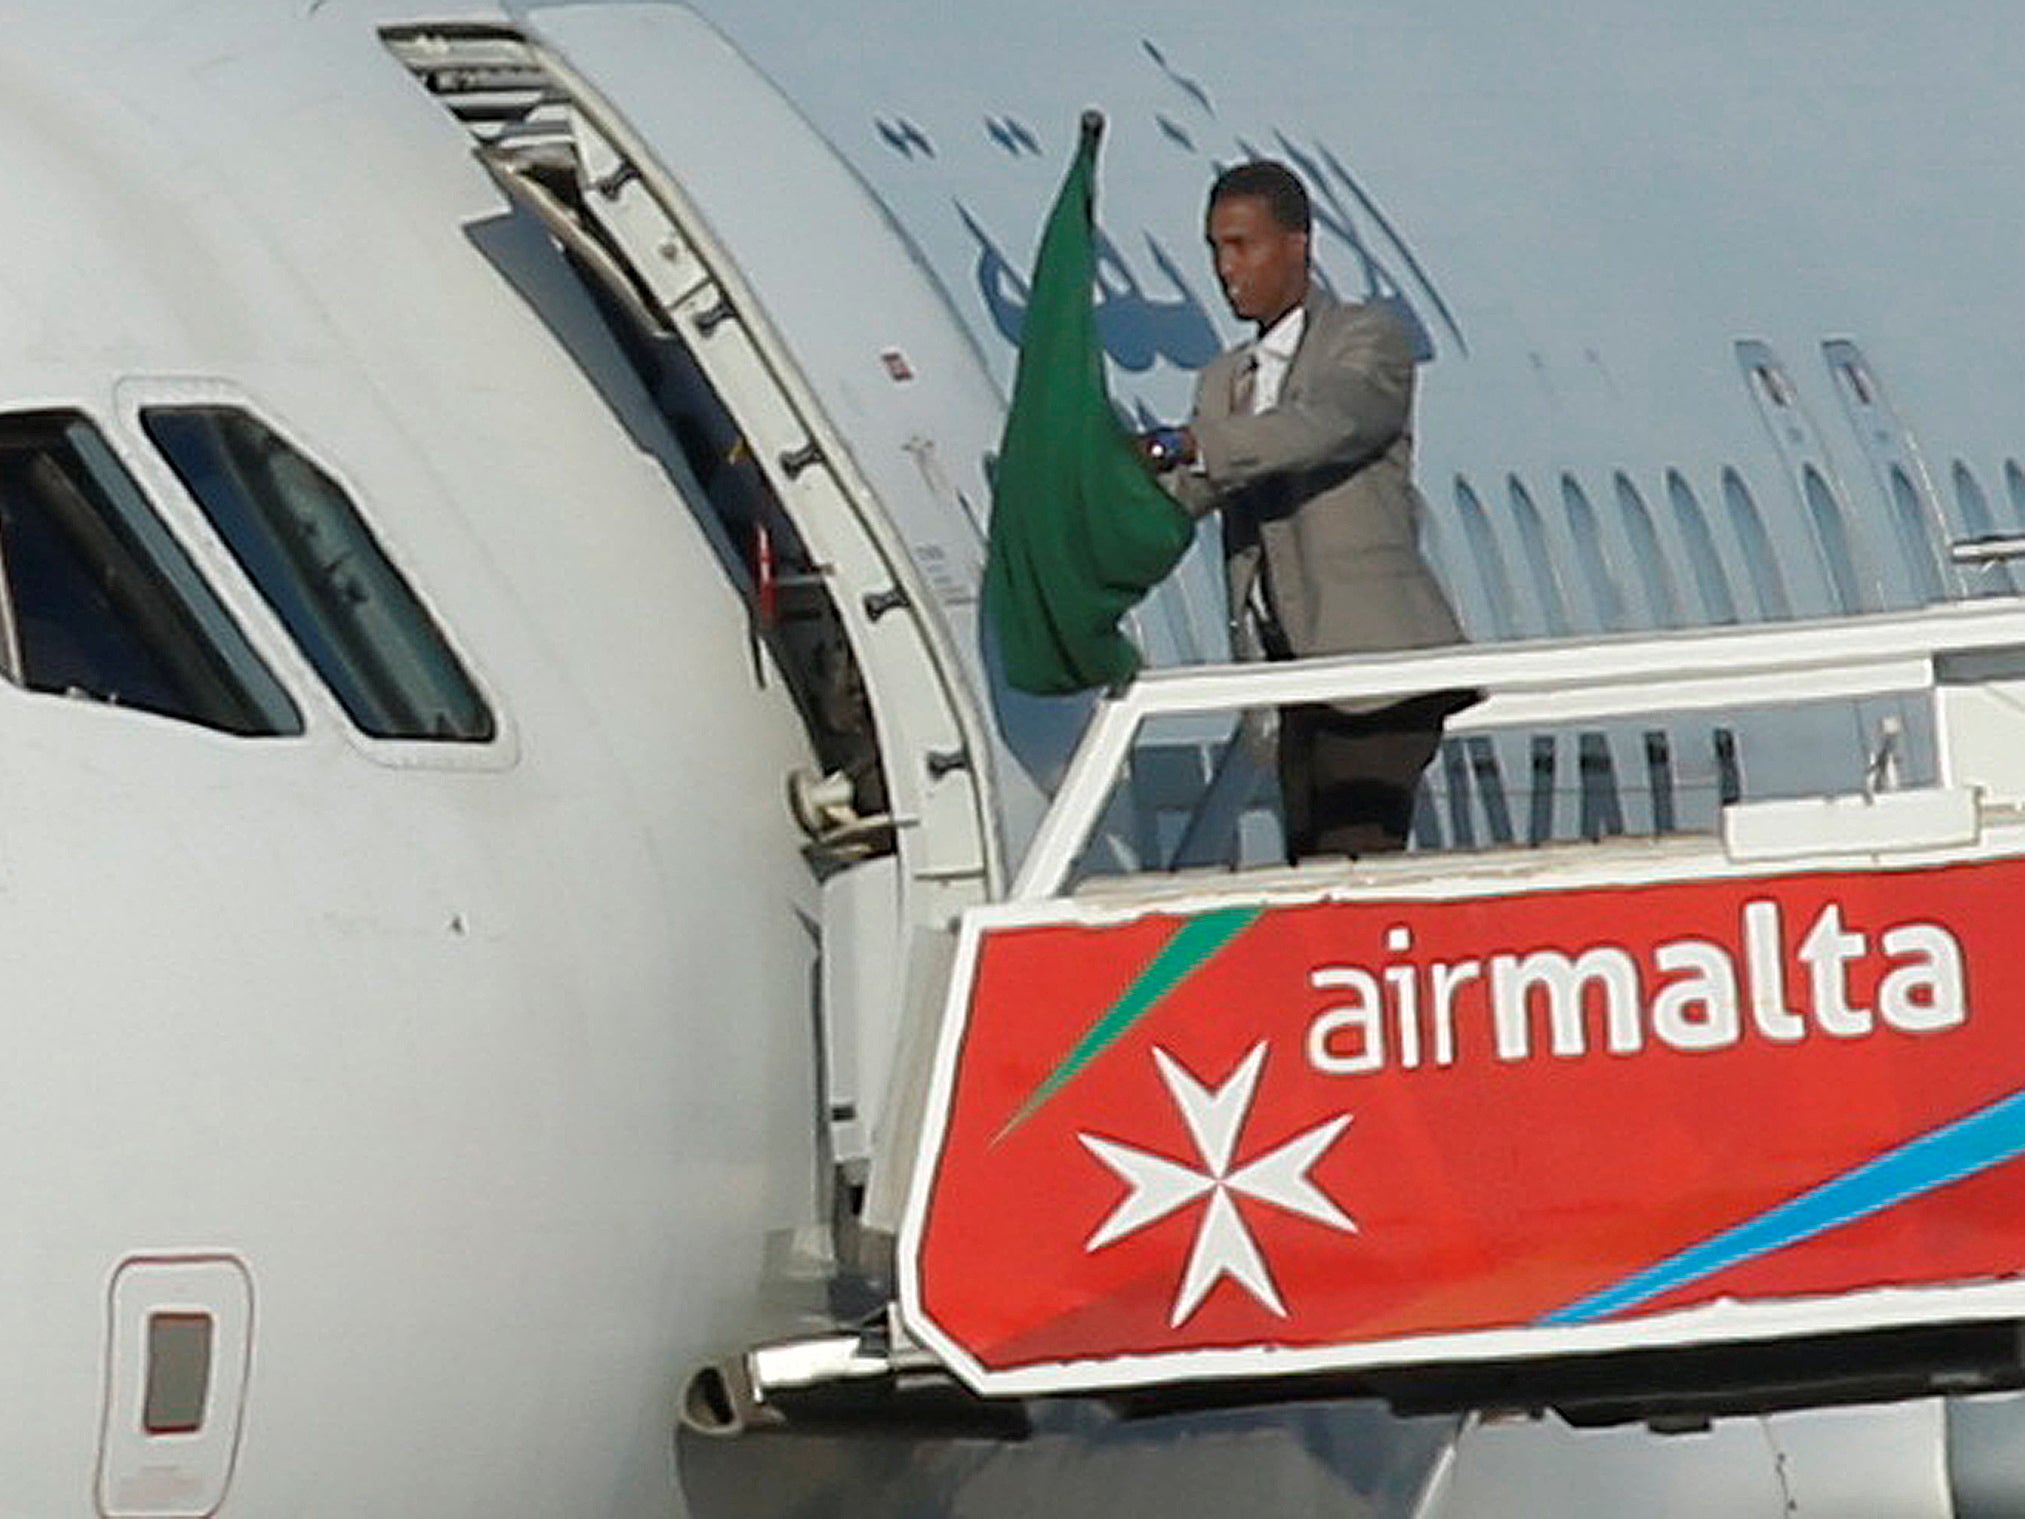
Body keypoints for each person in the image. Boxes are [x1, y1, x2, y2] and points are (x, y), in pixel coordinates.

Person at [1141, 159, 1468, 861]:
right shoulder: (1225, 380)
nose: (1225, 269)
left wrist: (1198, 444)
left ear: (1297, 245)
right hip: (1291, 678)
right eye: (1214, 250)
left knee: (1351, 861)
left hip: (1375, 674)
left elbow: (1330, 424)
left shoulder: (1366, 340)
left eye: (1241, 245)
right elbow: (1188, 494)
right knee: (1312, 864)